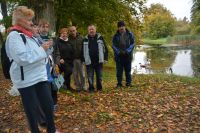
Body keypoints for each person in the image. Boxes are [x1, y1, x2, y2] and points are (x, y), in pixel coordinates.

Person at [5, 6, 57, 132]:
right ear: (20, 21)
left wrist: (46, 48)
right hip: (26, 80)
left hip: (40, 76)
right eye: (29, 20)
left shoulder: (30, 35)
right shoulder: (14, 36)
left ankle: (52, 130)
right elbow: (22, 58)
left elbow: (41, 54)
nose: (31, 22)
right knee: (32, 110)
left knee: (48, 105)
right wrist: (42, 49)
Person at [38, 19, 58, 110]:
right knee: (46, 87)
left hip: (52, 65)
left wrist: (56, 63)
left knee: (54, 85)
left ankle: (54, 103)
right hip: (42, 67)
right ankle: (46, 105)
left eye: (46, 27)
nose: (45, 29)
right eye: (42, 26)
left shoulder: (51, 38)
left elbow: (56, 51)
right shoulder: (36, 39)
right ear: (39, 27)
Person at [82, 24, 108, 92]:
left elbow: (105, 48)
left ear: (95, 30)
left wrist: (105, 58)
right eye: (90, 29)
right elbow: (82, 51)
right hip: (89, 61)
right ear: (88, 31)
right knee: (90, 76)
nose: (91, 30)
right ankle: (91, 88)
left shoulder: (100, 38)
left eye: (92, 29)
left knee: (99, 76)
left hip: (99, 60)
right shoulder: (85, 39)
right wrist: (83, 60)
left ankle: (99, 88)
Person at [112, 21, 135, 88]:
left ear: (125, 26)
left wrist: (127, 51)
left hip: (128, 56)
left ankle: (128, 83)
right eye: (120, 26)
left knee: (128, 70)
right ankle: (119, 84)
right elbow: (113, 45)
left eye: (122, 26)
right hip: (119, 56)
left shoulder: (130, 34)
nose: (121, 28)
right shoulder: (115, 35)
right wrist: (118, 52)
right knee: (119, 71)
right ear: (118, 28)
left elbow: (133, 43)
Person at [68, 26, 86, 92]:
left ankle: (83, 87)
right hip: (72, 59)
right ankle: (78, 87)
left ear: (76, 30)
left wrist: (84, 57)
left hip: (80, 58)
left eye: (74, 30)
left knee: (82, 74)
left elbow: (85, 48)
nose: (72, 32)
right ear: (69, 32)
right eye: (71, 31)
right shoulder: (68, 39)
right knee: (75, 74)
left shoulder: (81, 37)